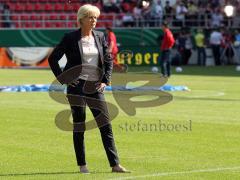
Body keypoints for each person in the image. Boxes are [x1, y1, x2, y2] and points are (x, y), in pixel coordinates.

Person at [48, 4, 129, 174]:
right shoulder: (70, 38)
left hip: (95, 87)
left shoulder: (100, 36)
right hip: (76, 88)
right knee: (80, 126)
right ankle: (82, 165)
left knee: (105, 125)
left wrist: (106, 81)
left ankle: (115, 165)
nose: (94, 21)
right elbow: (53, 58)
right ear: (81, 19)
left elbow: (108, 60)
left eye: (96, 18)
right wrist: (64, 79)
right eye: (90, 17)